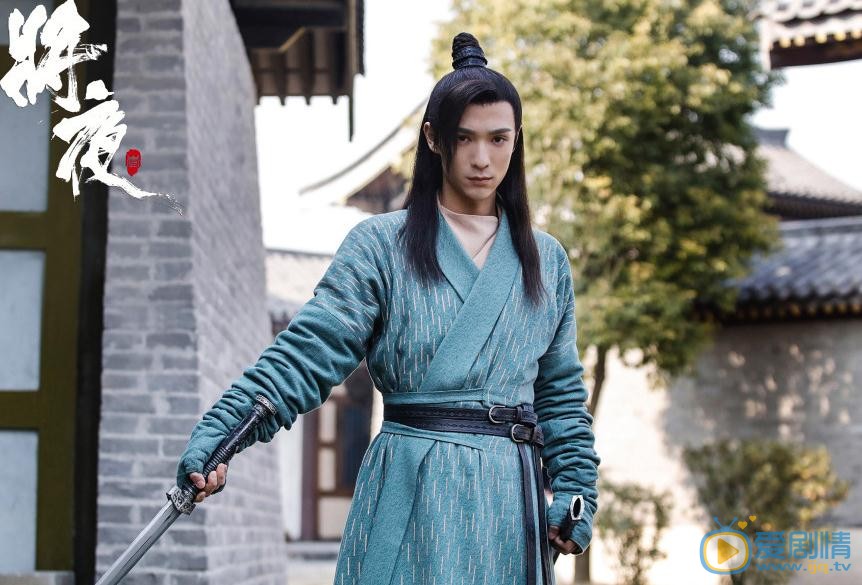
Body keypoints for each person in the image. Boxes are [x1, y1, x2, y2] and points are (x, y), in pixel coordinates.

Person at [177, 31, 601, 585]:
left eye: (499, 139)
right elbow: (306, 356)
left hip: (508, 502)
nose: (482, 158)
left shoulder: (545, 260)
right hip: (408, 487)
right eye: (464, 138)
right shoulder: (380, 246)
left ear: (516, 140)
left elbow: (560, 396)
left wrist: (575, 491)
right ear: (434, 138)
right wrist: (223, 432)